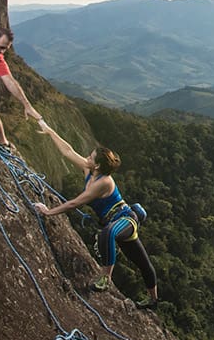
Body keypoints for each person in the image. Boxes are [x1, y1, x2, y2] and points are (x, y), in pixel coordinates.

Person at [33, 119, 158, 300]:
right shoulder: (89, 170)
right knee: (142, 262)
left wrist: (47, 211)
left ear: (97, 165)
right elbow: (68, 151)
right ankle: (152, 299)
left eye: (91, 157)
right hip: (116, 223)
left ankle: (107, 279)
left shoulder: (104, 182)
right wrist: (50, 131)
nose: (87, 158)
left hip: (125, 219)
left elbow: (74, 203)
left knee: (108, 235)